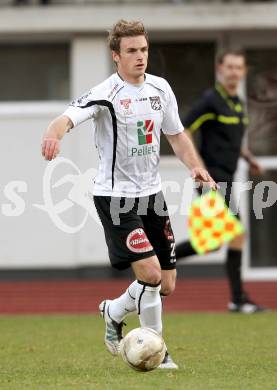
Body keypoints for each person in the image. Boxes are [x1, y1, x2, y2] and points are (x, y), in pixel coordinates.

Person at [41, 19, 216, 369]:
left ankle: (114, 310)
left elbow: (177, 135)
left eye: (144, 49)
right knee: (150, 275)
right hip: (115, 198)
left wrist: (194, 166)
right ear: (115, 56)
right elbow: (66, 117)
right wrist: (53, 134)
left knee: (166, 284)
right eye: (132, 51)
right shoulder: (106, 93)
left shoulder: (161, 89)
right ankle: (160, 351)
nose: (140, 57)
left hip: (152, 195)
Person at [175, 49, 269, 314]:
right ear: (220, 69)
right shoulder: (210, 100)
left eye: (238, 68)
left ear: (243, 72)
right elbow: (183, 130)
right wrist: (198, 168)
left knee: (214, 241)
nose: (234, 72)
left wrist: (249, 158)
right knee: (236, 234)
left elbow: (232, 140)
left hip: (227, 179)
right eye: (229, 67)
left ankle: (162, 256)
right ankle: (237, 299)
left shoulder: (237, 103)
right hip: (211, 180)